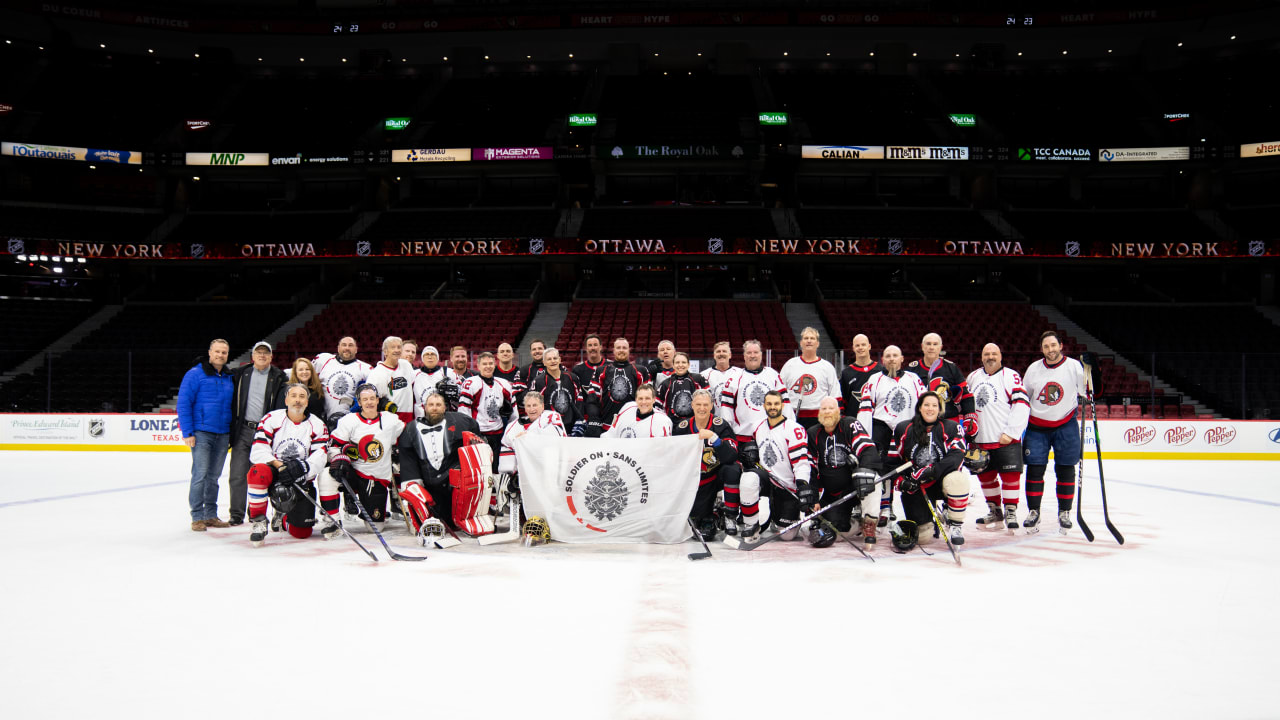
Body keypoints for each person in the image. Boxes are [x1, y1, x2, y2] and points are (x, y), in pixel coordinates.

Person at [245, 383, 331, 546]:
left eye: (302, 397)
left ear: (307, 402)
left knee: (302, 533)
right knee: (257, 472)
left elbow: (320, 456)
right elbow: (258, 449)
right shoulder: (272, 418)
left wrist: (301, 468)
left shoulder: (318, 425)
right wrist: (279, 466)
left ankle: (283, 516)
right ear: (286, 400)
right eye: (293, 396)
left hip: (300, 476)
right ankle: (259, 521)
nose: (297, 400)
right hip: (274, 471)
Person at [1022, 330, 1088, 533]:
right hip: (1036, 427)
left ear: (1061, 345)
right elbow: (1025, 397)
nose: (1050, 350)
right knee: (1034, 469)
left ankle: (1064, 512)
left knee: (1066, 468)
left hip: (1065, 425)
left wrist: (1095, 371)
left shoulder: (1074, 366)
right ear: (1041, 349)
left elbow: (1090, 391)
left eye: (1053, 345)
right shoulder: (1033, 369)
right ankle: (1034, 512)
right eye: (1046, 346)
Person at [888, 392, 969, 547]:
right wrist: (902, 482)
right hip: (917, 486)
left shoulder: (951, 427)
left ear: (939, 409)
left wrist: (932, 470)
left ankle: (955, 524)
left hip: (941, 481)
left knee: (958, 480)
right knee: (923, 538)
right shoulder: (903, 428)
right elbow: (891, 463)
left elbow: (957, 455)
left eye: (934, 405)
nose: (930, 409)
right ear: (919, 407)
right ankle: (929, 519)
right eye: (926, 405)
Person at [964, 343, 1030, 531]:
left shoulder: (1011, 376)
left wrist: (1011, 432)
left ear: (1000, 356)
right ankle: (995, 511)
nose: (990, 356)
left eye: (994, 353)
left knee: (1010, 476)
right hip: (980, 440)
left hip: (1005, 438)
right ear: (981, 357)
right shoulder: (973, 377)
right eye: (986, 354)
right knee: (986, 478)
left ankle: (1011, 511)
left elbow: (1022, 405)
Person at [857, 345, 926, 524]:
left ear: (902, 358)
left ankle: (921, 508)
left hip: (909, 431)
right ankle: (885, 507)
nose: (892, 359)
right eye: (888, 356)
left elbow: (925, 406)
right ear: (883, 360)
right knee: (883, 469)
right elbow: (865, 410)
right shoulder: (874, 379)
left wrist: (925, 430)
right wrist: (864, 438)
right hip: (882, 429)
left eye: (895, 355)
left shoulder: (914, 379)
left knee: (911, 468)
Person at [396, 392, 482, 532]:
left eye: (438, 405)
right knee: (431, 523)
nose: (434, 408)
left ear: (445, 408)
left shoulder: (461, 422)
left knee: (454, 522)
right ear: (424, 407)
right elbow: (408, 461)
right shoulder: (410, 430)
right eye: (431, 405)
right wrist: (415, 490)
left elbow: (476, 442)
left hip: (453, 486)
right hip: (429, 486)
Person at [326, 383, 406, 529]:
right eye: (365, 399)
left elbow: (406, 437)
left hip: (377, 478)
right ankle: (334, 521)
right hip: (354, 473)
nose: (369, 402)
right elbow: (334, 446)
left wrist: (397, 453)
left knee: (375, 527)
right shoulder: (349, 420)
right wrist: (339, 457)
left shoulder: (390, 420)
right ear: (360, 402)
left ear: (377, 400)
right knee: (327, 475)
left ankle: (373, 507)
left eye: (372, 398)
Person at [672, 389, 748, 541]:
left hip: (714, 477)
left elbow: (732, 456)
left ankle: (730, 515)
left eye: (705, 404)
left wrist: (715, 438)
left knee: (732, 470)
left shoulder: (720, 426)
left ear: (712, 405)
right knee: (696, 523)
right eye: (698, 404)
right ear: (692, 405)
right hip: (692, 481)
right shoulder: (682, 427)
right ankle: (712, 512)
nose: (702, 408)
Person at [807, 397, 883, 546]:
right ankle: (858, 523)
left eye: (831, 408)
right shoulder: (813, 433)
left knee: (873, 479)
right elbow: (811, 468)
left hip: (855, 487)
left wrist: (865, 468)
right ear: (819, 412)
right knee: (836, 532)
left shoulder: (849, 424)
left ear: (839, 411)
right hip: (834, 494)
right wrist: (814, 496)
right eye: (824, 409)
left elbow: (867, 447)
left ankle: (869, 522)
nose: (827, 412)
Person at [177, 338, 235, 531]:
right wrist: (188, 432)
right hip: (202, 432)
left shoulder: (228, 376)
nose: (220, 355)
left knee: (214, 476)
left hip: (222, 433)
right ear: (210, 353)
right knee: (200, 475)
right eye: (217, 351)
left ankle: (210, 515)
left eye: (224, 352)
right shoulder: (195, 374)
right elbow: (184, 403)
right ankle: (197, 516)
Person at [229, 341, 286, 526]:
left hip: (265, 433)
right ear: (252, 356)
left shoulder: (278, 376)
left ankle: (258, 512)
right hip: (243, 430)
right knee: (238, 474)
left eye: (266, 353)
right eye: (258, 353)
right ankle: (236, 514)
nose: (262, 356)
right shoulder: (240, 374)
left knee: (262, 475)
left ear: (271, 357)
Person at [743, 390, 813, 541]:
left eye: (776, 404)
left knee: (787, 535)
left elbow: (801, 461)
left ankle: (780, 518)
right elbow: (752, 446)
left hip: (786, 486)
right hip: (767, 479)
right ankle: (751, 524)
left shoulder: (794, 429)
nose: (772, 407)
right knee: (748, 478)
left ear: (782, 405)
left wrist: (803, 483)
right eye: (769, 404)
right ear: (764, 406)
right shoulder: (758, 427)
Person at [719, 339, 792, 465]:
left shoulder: (773, 375)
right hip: (743, 438)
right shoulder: (734, 379)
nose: (752, 355)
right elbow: (726, 412)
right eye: (749, 352)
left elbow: (785, 405)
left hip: (771, 436)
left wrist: (789, 430)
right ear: (744, 355)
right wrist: (729, 436)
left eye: (756, 352)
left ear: (761, 354)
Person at [458, 351, 517, 469]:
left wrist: (511, 431)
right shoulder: (471, 383)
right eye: (484, 364)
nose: (488, 366)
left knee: (497, 468)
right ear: (478, 366)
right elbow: (464, 412)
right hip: (479, 434)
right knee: (480, 468)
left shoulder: (504, 384)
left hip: (498, 433)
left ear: (495, 365)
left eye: (491, 363)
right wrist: (471, 433)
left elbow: (514, 412)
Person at [905, 333, 975, 427]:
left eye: (935, 344)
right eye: (928, 344)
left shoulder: (951, 368)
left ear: (940, 347)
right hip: (920, 422)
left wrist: (970, 417)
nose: (931, 347)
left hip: (947, 420)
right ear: (922, 347)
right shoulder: (911, 369)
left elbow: (966, 394)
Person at [781, 326, 841, 429]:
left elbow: (835, 395)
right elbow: (779, 391)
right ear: (801, 343)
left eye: (812, 338)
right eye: (806, 338)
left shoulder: (827, 367)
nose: (809, 341)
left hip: (819, 417)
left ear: (817, 343)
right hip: (792, 416)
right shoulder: (790, 365)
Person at [586, 337, 650, 433]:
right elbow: (592, 399)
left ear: (629, 350)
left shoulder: (641, 371)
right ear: (614, 350)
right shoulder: (601, 371)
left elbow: (647, 400)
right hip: (606, 426)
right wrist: (594, 419)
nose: (621, 350)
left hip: (633, 426)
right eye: (618, 347)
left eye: (624, 348)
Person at [314, 336, 370, 430]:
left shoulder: (365, 369)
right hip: (322, 420)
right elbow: (303, 373)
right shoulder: (323, 361)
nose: (347, 348)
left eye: (350, 345)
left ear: (356, 349)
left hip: (351, 423)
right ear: (338, 348)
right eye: (344, 345)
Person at [525, 347, 586, 431]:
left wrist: (579, 421)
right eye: (549, 359)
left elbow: (579, 400)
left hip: (571, 425)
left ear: (559, 360)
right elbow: (535, 405)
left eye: (555, 358)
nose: (553, 361)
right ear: (544, 362)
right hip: (549, 427)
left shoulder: (572, 377)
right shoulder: (538, 382)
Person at [365, 335, 416, 424]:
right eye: (393, 347)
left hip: (408, 417)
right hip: (388, 419)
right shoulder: (376, 373)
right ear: (385, 352)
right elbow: (369, 399)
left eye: (399, 347)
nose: (397, 350)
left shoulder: (406, 365)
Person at [655, 351, 708, 421]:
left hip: (695, 425)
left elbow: (709, 402)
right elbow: (658, 409)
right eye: (677, 362)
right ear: (673, 365)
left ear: (688, 364)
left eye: (683, 362)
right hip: (674, 427)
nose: (680, 365)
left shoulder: (699, 379)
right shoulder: (665, 384)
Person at [605, 383, 672, 438]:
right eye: (640, 398)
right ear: (636, 399)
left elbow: (663, 449)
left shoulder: (663, 421)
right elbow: (611, 433)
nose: (643, 402)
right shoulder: (627, 408)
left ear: (654, 400)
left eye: (647, 398)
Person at [839, 333, 878, 415]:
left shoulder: (881, 370)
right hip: (854, 421)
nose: (860, 348)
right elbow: (843, 401)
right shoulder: (846, 373)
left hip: (876, 422)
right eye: (857, 345)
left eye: (863, 345)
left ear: (869, 346)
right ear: (853, 348)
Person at [411, 346, 448, 416]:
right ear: (422, 358)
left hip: (443, 416)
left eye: (433, 354)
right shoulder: (414, 374)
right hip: (421, 418)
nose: (430, 357)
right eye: (427, 354)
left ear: (437, 358)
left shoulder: (447, 373)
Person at [494, 342, 524, 424]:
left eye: (508, 351)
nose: (505, 353)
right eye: (502, 351)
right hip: (495, 415)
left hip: (516, 414)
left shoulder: (521, 373)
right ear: (497, 355)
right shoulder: (492, 373)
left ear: (512, 354)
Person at [703, 341, 735, 408]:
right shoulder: (704, 375)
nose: (721, 353)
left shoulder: (739, 373)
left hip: (734, 417)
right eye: (718, 351)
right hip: (714, 417)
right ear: (714, 356)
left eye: (724, 351)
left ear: (730, 355)